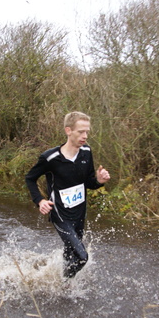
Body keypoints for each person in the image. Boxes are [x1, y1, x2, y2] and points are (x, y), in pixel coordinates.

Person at [25, 111, 111, 278]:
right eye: (81, 131)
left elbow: (89, 183)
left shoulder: (86, 152)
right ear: (68, 130)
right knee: (82, 257)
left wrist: (99, 181)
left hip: (79, 213)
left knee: (71, 253)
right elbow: (30, 178)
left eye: (87, 131)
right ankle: (63, 284)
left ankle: (60, 282)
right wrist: (40, 200)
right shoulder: (51, 158)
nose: (85, 136)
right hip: (60, 215)